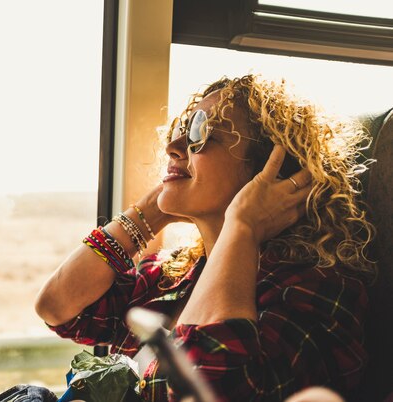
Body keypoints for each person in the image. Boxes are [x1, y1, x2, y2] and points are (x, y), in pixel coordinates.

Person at [35, 75, 374, 402]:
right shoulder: (174, 274)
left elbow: (212, 386)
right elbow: (59, 307)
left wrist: (242, 226)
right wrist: (152, 210)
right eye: (179, 130)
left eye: (199, 132)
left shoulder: (311, 291)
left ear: (269, 166)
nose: (172, 147)